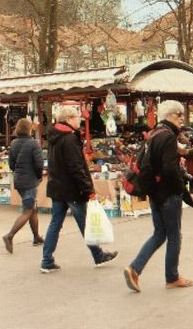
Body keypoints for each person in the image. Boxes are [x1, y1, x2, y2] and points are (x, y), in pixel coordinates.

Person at [123, 100, 193, 293]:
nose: (181, 118)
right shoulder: (168, 136)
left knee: (159, 233)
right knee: (174, 236)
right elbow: (169, 168)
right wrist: (180, 188)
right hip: (168, 193)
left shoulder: (154, 133)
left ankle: (134, 268)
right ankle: (172, 277)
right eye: (178, 114)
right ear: (169, 116)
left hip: (154, 191)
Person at [40, 105, 118, 273]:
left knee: (55, 224)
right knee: (85, 224)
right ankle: (98, 255)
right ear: (68, 119)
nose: (79, 121)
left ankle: (47, 260)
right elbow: (76, 168)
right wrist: (88, 189)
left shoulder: (54, 136)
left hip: (57, 188)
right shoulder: (69, 139)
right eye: (77, 118)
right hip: (72, 189)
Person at [2, 118, 44, 253]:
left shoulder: (13, 143)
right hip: (30, 181)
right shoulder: (33, 144)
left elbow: (11, 165)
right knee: (28, 210)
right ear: (29, 129)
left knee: (32, 209)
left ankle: (36, 237)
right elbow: (39, 164)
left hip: (19, 180)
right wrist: (39, 176)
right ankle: (9, 235)